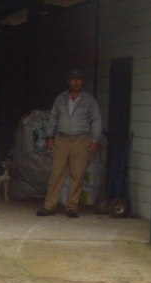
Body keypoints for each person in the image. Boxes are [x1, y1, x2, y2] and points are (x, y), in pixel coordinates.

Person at [37, 70, 102, 218]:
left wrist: (94, 139)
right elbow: (53, 117)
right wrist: (49, 136)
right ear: (68, 81)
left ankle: (72, 206)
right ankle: (49, 205)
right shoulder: (61, 99)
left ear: (83, 81)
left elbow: (96, 120)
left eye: (79, 79)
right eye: (73, 79)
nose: (76, 82)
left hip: (81, 139)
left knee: (77, 174)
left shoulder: (89, 100)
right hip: (62, 139)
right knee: (56, 173)